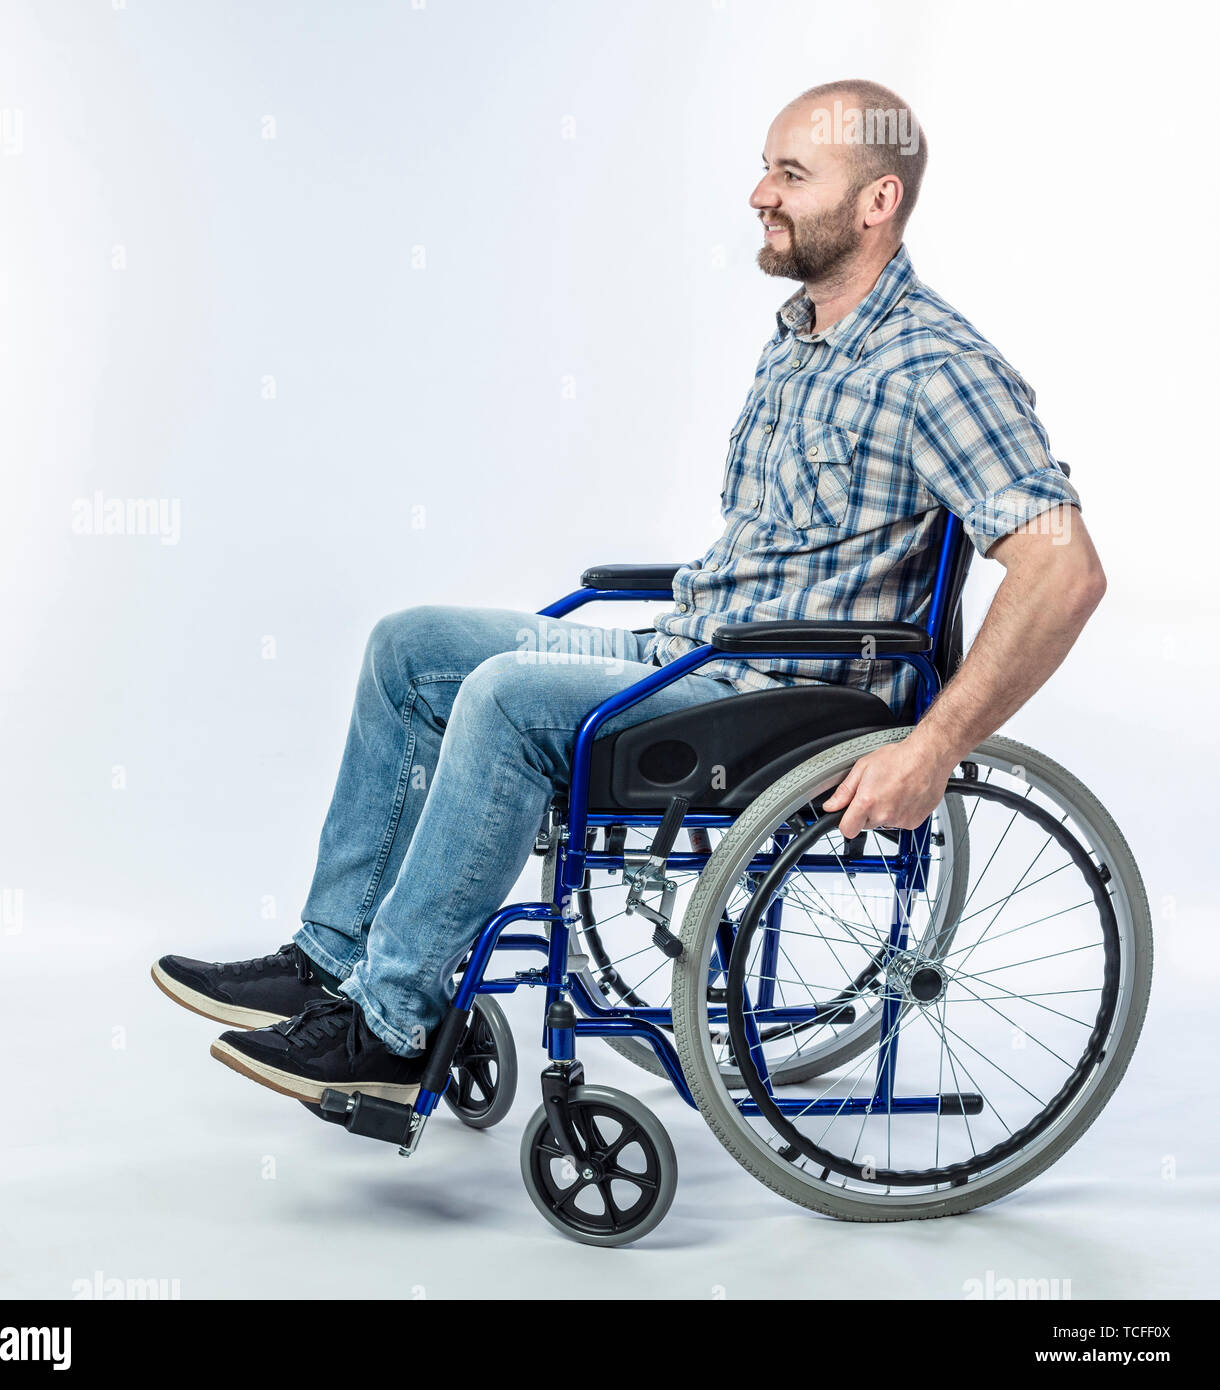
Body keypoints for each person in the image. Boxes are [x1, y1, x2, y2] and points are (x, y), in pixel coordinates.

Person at [151, 79, 1106, 1107]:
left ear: (876, 201)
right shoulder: (801, 341)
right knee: (411, 646)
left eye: (790, 173)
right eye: (764, 166)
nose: (757, 193)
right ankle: (334, 957)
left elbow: (1064, 570)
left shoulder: (936, 368)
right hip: (694, 650)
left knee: (509, 697)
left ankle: (391, 1022)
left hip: (777, 703)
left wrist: (933, 747)